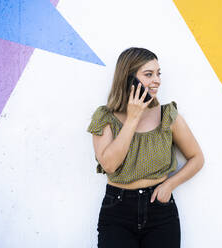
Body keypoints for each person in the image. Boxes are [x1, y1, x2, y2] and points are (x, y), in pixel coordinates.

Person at [87, 47, 204, 248]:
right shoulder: (105, 117)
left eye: (158, 74)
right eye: (148, 74)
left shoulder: (167, 115)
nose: (156, 80)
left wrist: (169, 185)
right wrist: (133, 117)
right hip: (117, 210)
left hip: (160, 211)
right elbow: (109, 165)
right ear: (128, 78)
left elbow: (197, 158)